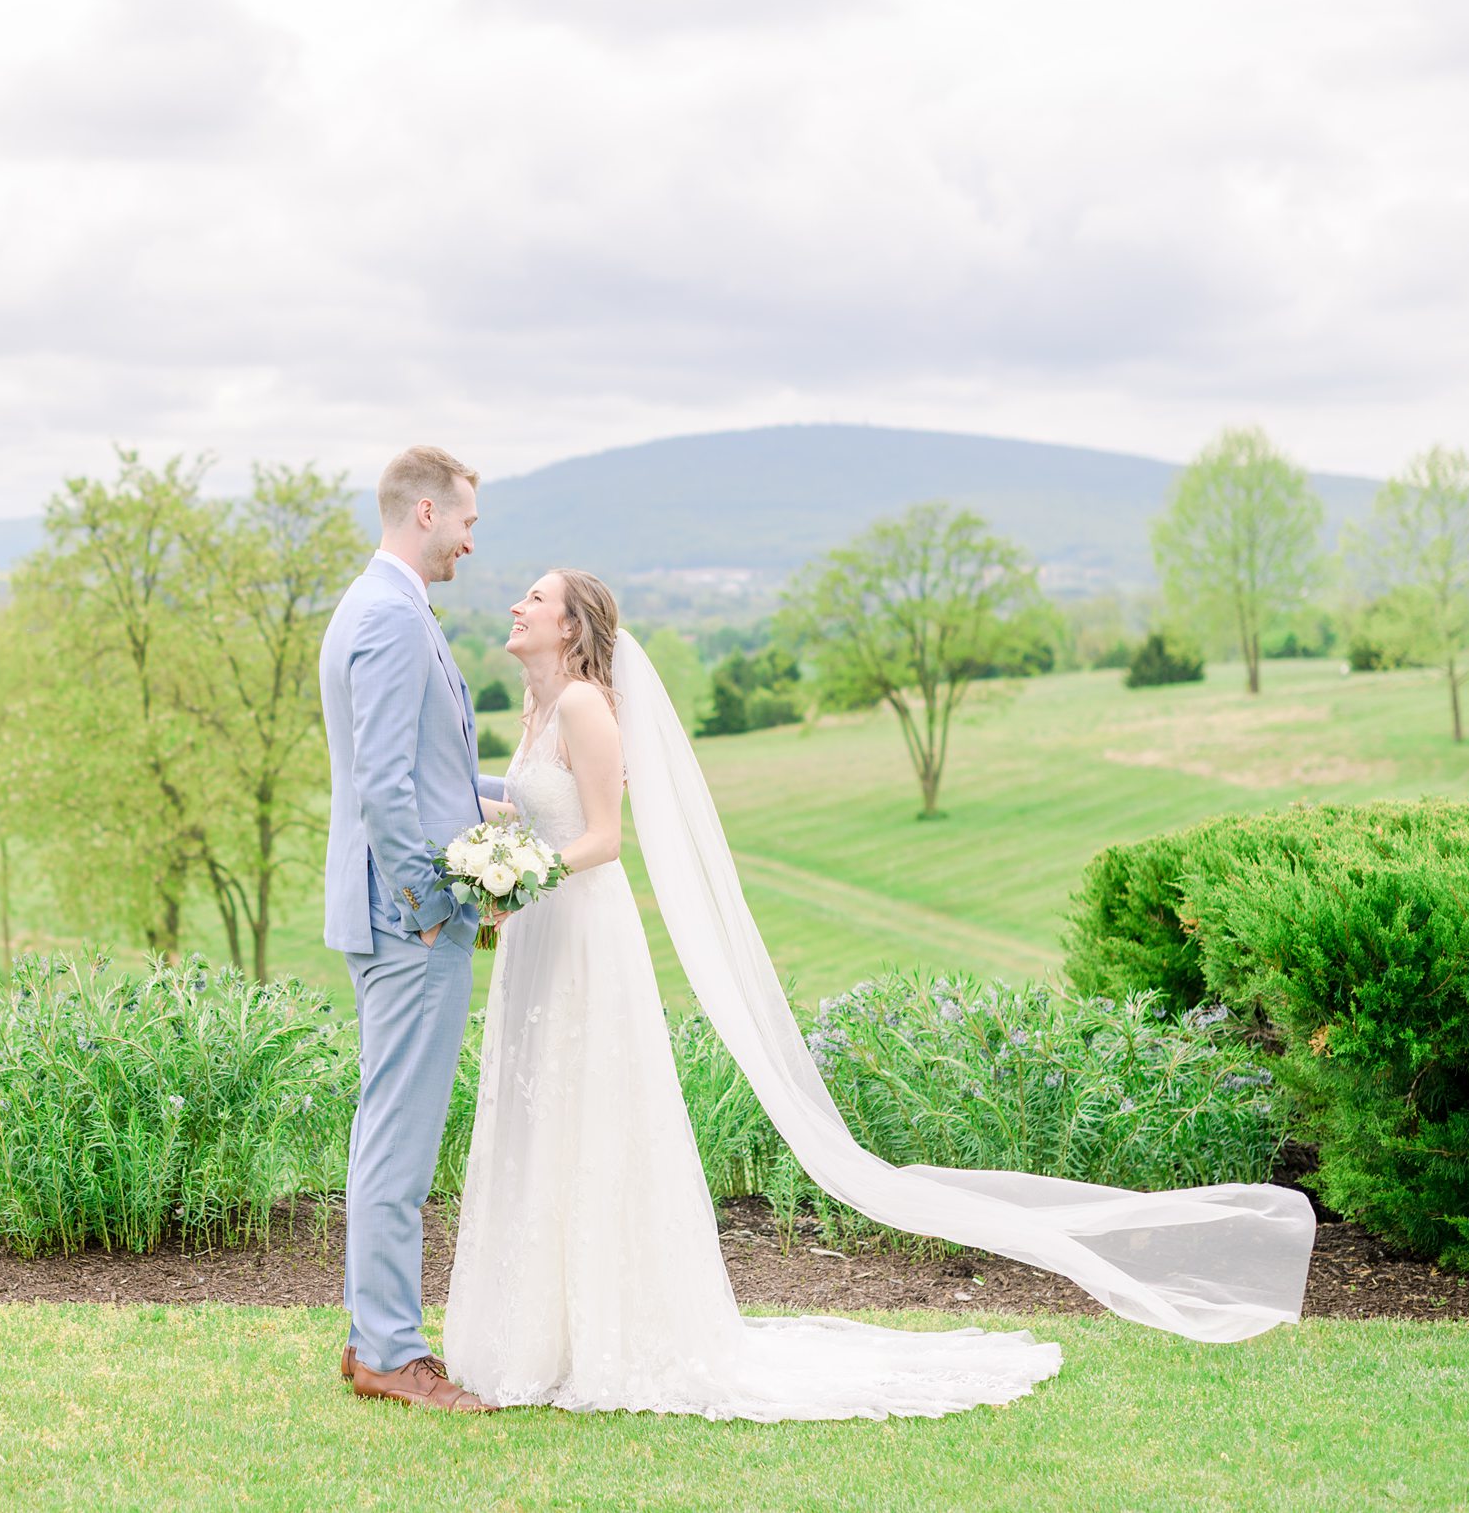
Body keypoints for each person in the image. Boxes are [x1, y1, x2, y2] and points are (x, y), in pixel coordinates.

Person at [440, 568, 1315, 1421]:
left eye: (537, 598)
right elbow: (539, 813)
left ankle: (605, 1334)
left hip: (584, 936)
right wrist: (489, 840)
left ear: (571, 627)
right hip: (540, 934)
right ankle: (537, 1336)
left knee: (588, 1116)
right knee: (537, 1116)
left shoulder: (588, 705)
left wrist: (519, 870)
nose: (518, 605)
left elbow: (602, 837)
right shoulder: (539, 710)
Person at [317, 445, 506, 1412]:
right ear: (424, 511)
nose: (474, 538)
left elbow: (423, 775)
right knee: (399, 1137)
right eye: (468, 520)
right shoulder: (391, 619)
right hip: (407, 926)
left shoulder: (383, 607)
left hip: (391, 915)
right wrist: (434, 906)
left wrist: (521, 801)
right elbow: (387, 792)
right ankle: (390, 1350)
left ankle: (371, 1334)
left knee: (387, 1128)